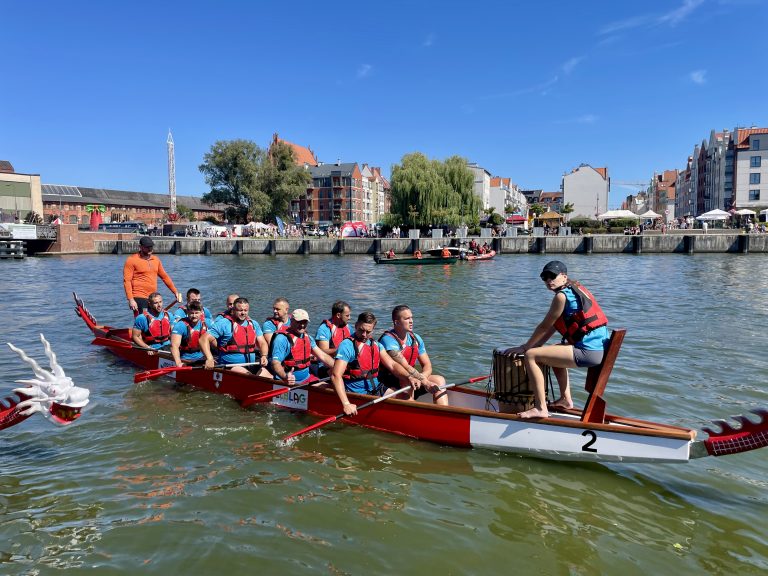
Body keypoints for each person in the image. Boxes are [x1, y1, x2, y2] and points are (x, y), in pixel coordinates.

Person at [503, 261, 609, 419]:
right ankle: (566, 400)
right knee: (552, 349)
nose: (548, 280)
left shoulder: (561, 296)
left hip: (589, 352)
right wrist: (538, 344)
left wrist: (526, 347)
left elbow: (544, 326)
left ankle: (540, 408)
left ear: (564, 277)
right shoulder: (576, 288)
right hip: (599, 349)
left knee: (531, 356)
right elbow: (554, 326)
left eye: (552, 276)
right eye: (544, 277)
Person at [331, 311, 421, 416]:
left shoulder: (376, 345)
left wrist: (409, 376)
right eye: (361, 330)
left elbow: (392, 365)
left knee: (406, 398)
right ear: (356, 326)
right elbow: (335, 375)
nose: (364, 335)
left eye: (368, 332)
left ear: (373, 330)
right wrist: (346, 404)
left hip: (375, 387)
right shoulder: (347, 345)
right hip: (355, 391)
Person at [378, 305, 449, 406]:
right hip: (391, 381)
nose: (411, 321)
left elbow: (427, 365)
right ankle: (410, 407)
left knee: (439, 380)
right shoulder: (388, 340)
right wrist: (424, 382)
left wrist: (422, 378)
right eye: (407, 318)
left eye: (411, 317)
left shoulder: (416, 338)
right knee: (407, 381)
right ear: (396, 322)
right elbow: (405, 367)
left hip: (414, 378)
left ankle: (443, 412)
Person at [199, 297, 269, 375]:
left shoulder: (253, 324)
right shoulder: (223, 324)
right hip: (231, 366)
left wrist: (264, 355)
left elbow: (262, 342)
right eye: (240, 310)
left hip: (252, 364)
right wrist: (209, 358)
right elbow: (203, 339)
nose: (243, 313)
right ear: (233, 310)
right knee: (248, 375)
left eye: (245, 310)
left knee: (268, 376)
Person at [270, 309, 335, 385]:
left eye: (305, 322)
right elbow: (275, 363)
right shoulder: (281, 339)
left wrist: (339, 368)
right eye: (299, 322)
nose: (302, 325)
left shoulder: (308, 338)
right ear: (292, 321)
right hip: (287, 381)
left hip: (307, 379)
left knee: (330, 388)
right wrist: (285, 377)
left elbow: (323, 356)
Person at [123, 236, 181, 315]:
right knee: (143, 321)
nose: (150, 249)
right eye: (147, 247)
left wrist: (175, 292)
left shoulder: (156, 260)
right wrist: (131, 299)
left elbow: (165, 277)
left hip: (153, 297)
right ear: (140, 247)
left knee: (155, 321)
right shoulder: (131, 260)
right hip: (139, 296)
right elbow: (127, 281)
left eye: (151, 246)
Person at [170, 301, 207, 367]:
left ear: (201, 312)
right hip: (185, 359)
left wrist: (210, 358)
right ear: (187, 312)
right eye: (191, 313)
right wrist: (178, 363)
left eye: (196, 313)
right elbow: (174, 346)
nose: (194, 316)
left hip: (201, 357)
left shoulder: (206, 323)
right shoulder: (180, 325)